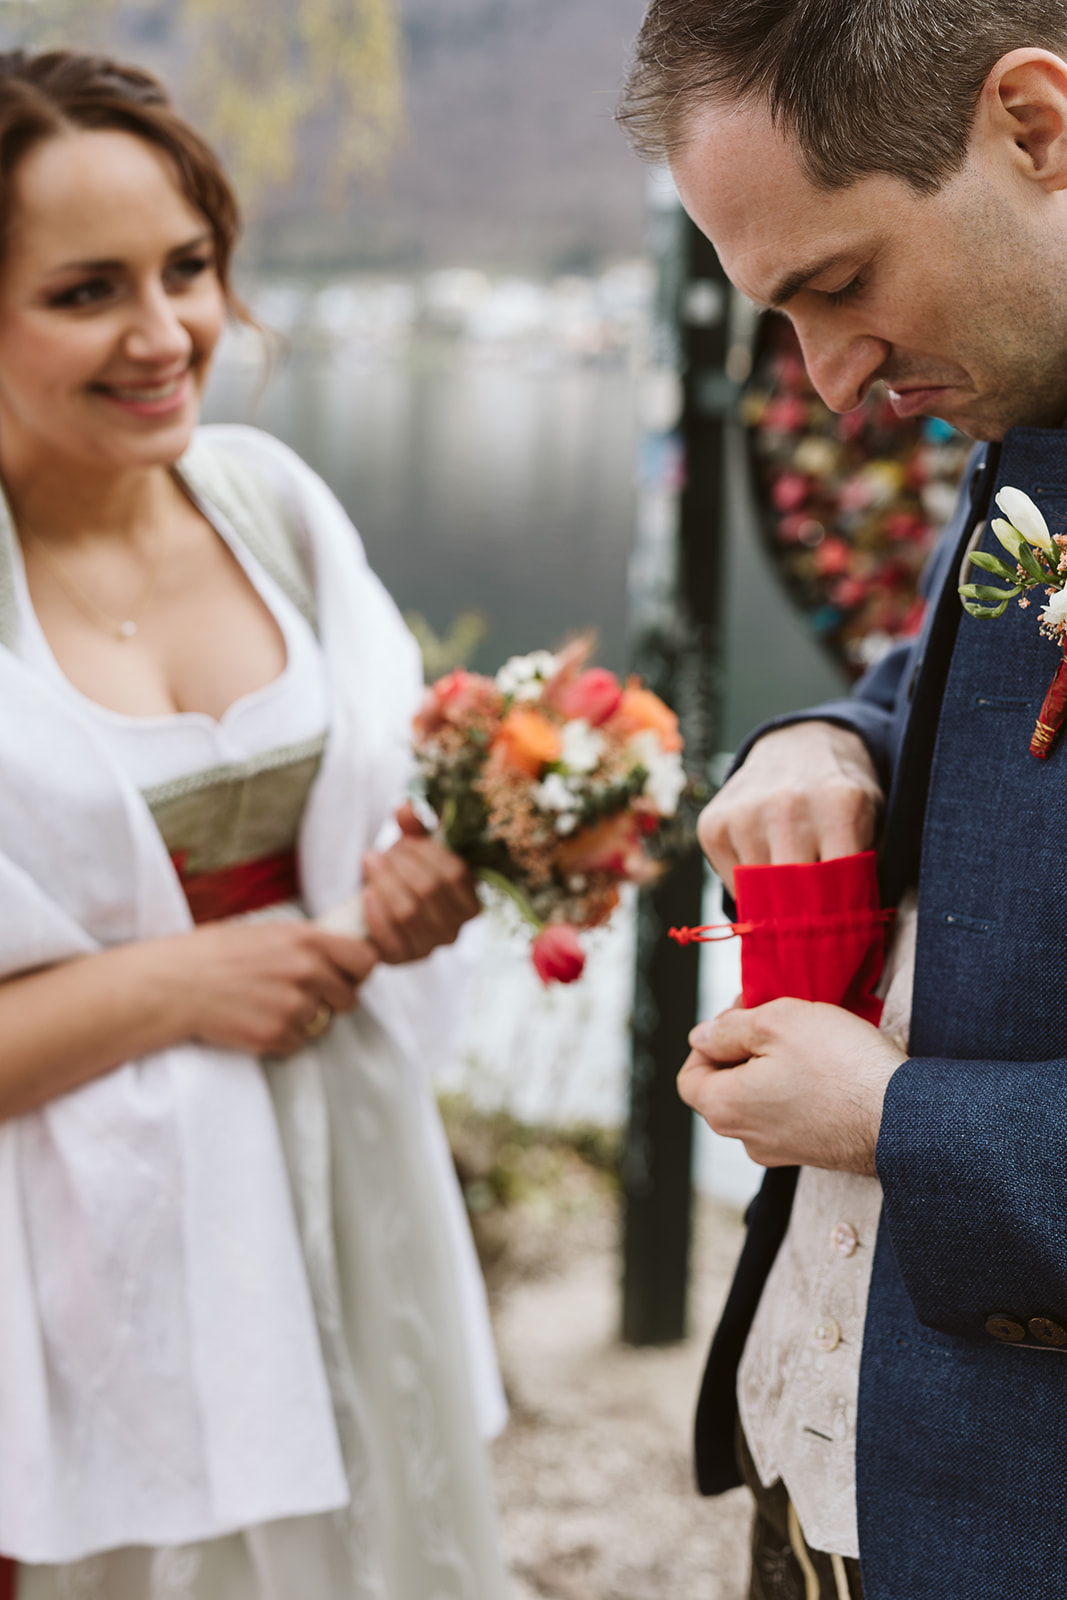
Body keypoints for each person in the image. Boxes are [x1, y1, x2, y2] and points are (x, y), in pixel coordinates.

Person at [0, 48, 510, 1600]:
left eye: (189, 266)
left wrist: (419, 886)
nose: (167, 334)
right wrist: (175, 985)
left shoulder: (272, 506)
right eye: (86, 291)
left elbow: (381, 826)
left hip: (348, 1174)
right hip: (87, 1263)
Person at [618, 3, 1067, 1596]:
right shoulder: (1027, 395)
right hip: (832, 1460)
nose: (824, 379)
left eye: (840, 282)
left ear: (1035, 127)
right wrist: (830, 737)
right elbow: (966, 674)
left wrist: (891, 1121)